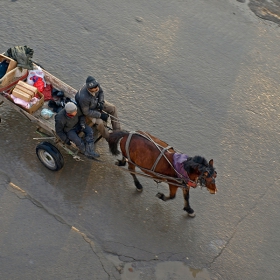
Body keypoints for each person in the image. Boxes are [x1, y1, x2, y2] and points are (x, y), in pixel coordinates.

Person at [75, 76, 121, 140]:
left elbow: (101, 93)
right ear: (89, 88)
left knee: (113, 108)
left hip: (95, 102)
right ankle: (108, 137)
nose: (97, 88)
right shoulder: (84, 98)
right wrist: (100, 115)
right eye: (94, 88)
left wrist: (101, 102)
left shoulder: (96, 86)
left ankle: (117, 131)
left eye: (97, 86)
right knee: (100, 122)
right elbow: (86, 112)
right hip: (88, 109)